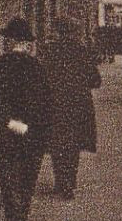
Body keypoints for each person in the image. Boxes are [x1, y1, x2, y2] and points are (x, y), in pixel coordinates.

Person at [0, 17, 53, 221]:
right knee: (27, 179)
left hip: (3, 133)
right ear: (27, 44)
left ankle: (14, 218)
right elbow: (46, 104)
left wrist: (13, 124)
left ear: (9, 41)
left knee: (8, 178)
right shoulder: (39, 69)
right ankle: (20, 218)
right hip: (33, 135)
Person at [42, 18, 101, 200]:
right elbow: (95, 81)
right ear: (75, 33)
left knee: (57, 142)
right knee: (73, 144)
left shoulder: (49, 51)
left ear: (59, 31)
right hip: (78, 104)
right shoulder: (83, 52)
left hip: (56, 103)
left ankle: (60, 182)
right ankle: (70, 181)